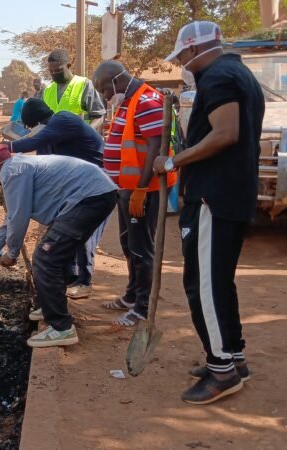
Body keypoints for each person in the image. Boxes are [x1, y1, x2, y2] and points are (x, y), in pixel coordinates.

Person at [152, 21, 264, 404]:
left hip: (213, 197)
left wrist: (173, 162)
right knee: (219, 281)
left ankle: (222, 371)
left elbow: (225, 133)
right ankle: (233, 356)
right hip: (232, 193)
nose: (183, 63)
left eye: (182, 56)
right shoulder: (239, 73)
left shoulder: (218, 76)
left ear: (195, 49)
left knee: (203, 285)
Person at [0, 145, 117, 347]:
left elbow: (19, 217)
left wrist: (11, 253)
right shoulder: (18, 167)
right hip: (93, 196)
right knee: (51, 253)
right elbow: (11, 219)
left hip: (88, 199)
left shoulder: (12, 171)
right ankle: (49, 306)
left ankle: (61, 327)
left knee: (46, 259)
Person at [93, 60, 178, 326]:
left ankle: (142, 307)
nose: (106, 96)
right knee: (129, 245)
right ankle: (131, 295)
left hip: (143, 190)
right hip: (126, 189)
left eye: (106, 90)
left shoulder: (146, 102)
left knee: (142, 249)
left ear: (118, 80)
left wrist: (141, 189)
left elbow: (156, 149)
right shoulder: (128, 101)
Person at [11, 98, 106, 299]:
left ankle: (84, 281)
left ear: (37, 122)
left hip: (94, 185)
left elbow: (33, 142)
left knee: (84, 233)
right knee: (68, 230)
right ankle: (71, 276)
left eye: (31, 126)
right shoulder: (51, 135)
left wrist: (7, 147)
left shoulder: (63, 120)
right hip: (75, 186)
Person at [43, 49, 106, 132]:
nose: (54, 74)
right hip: (54, 143)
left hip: (79, 143)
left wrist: (87, 131)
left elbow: (99, 116)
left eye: (58, 70)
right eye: (51, 71)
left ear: (69, 66)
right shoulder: (48, 90)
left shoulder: (84, 85)